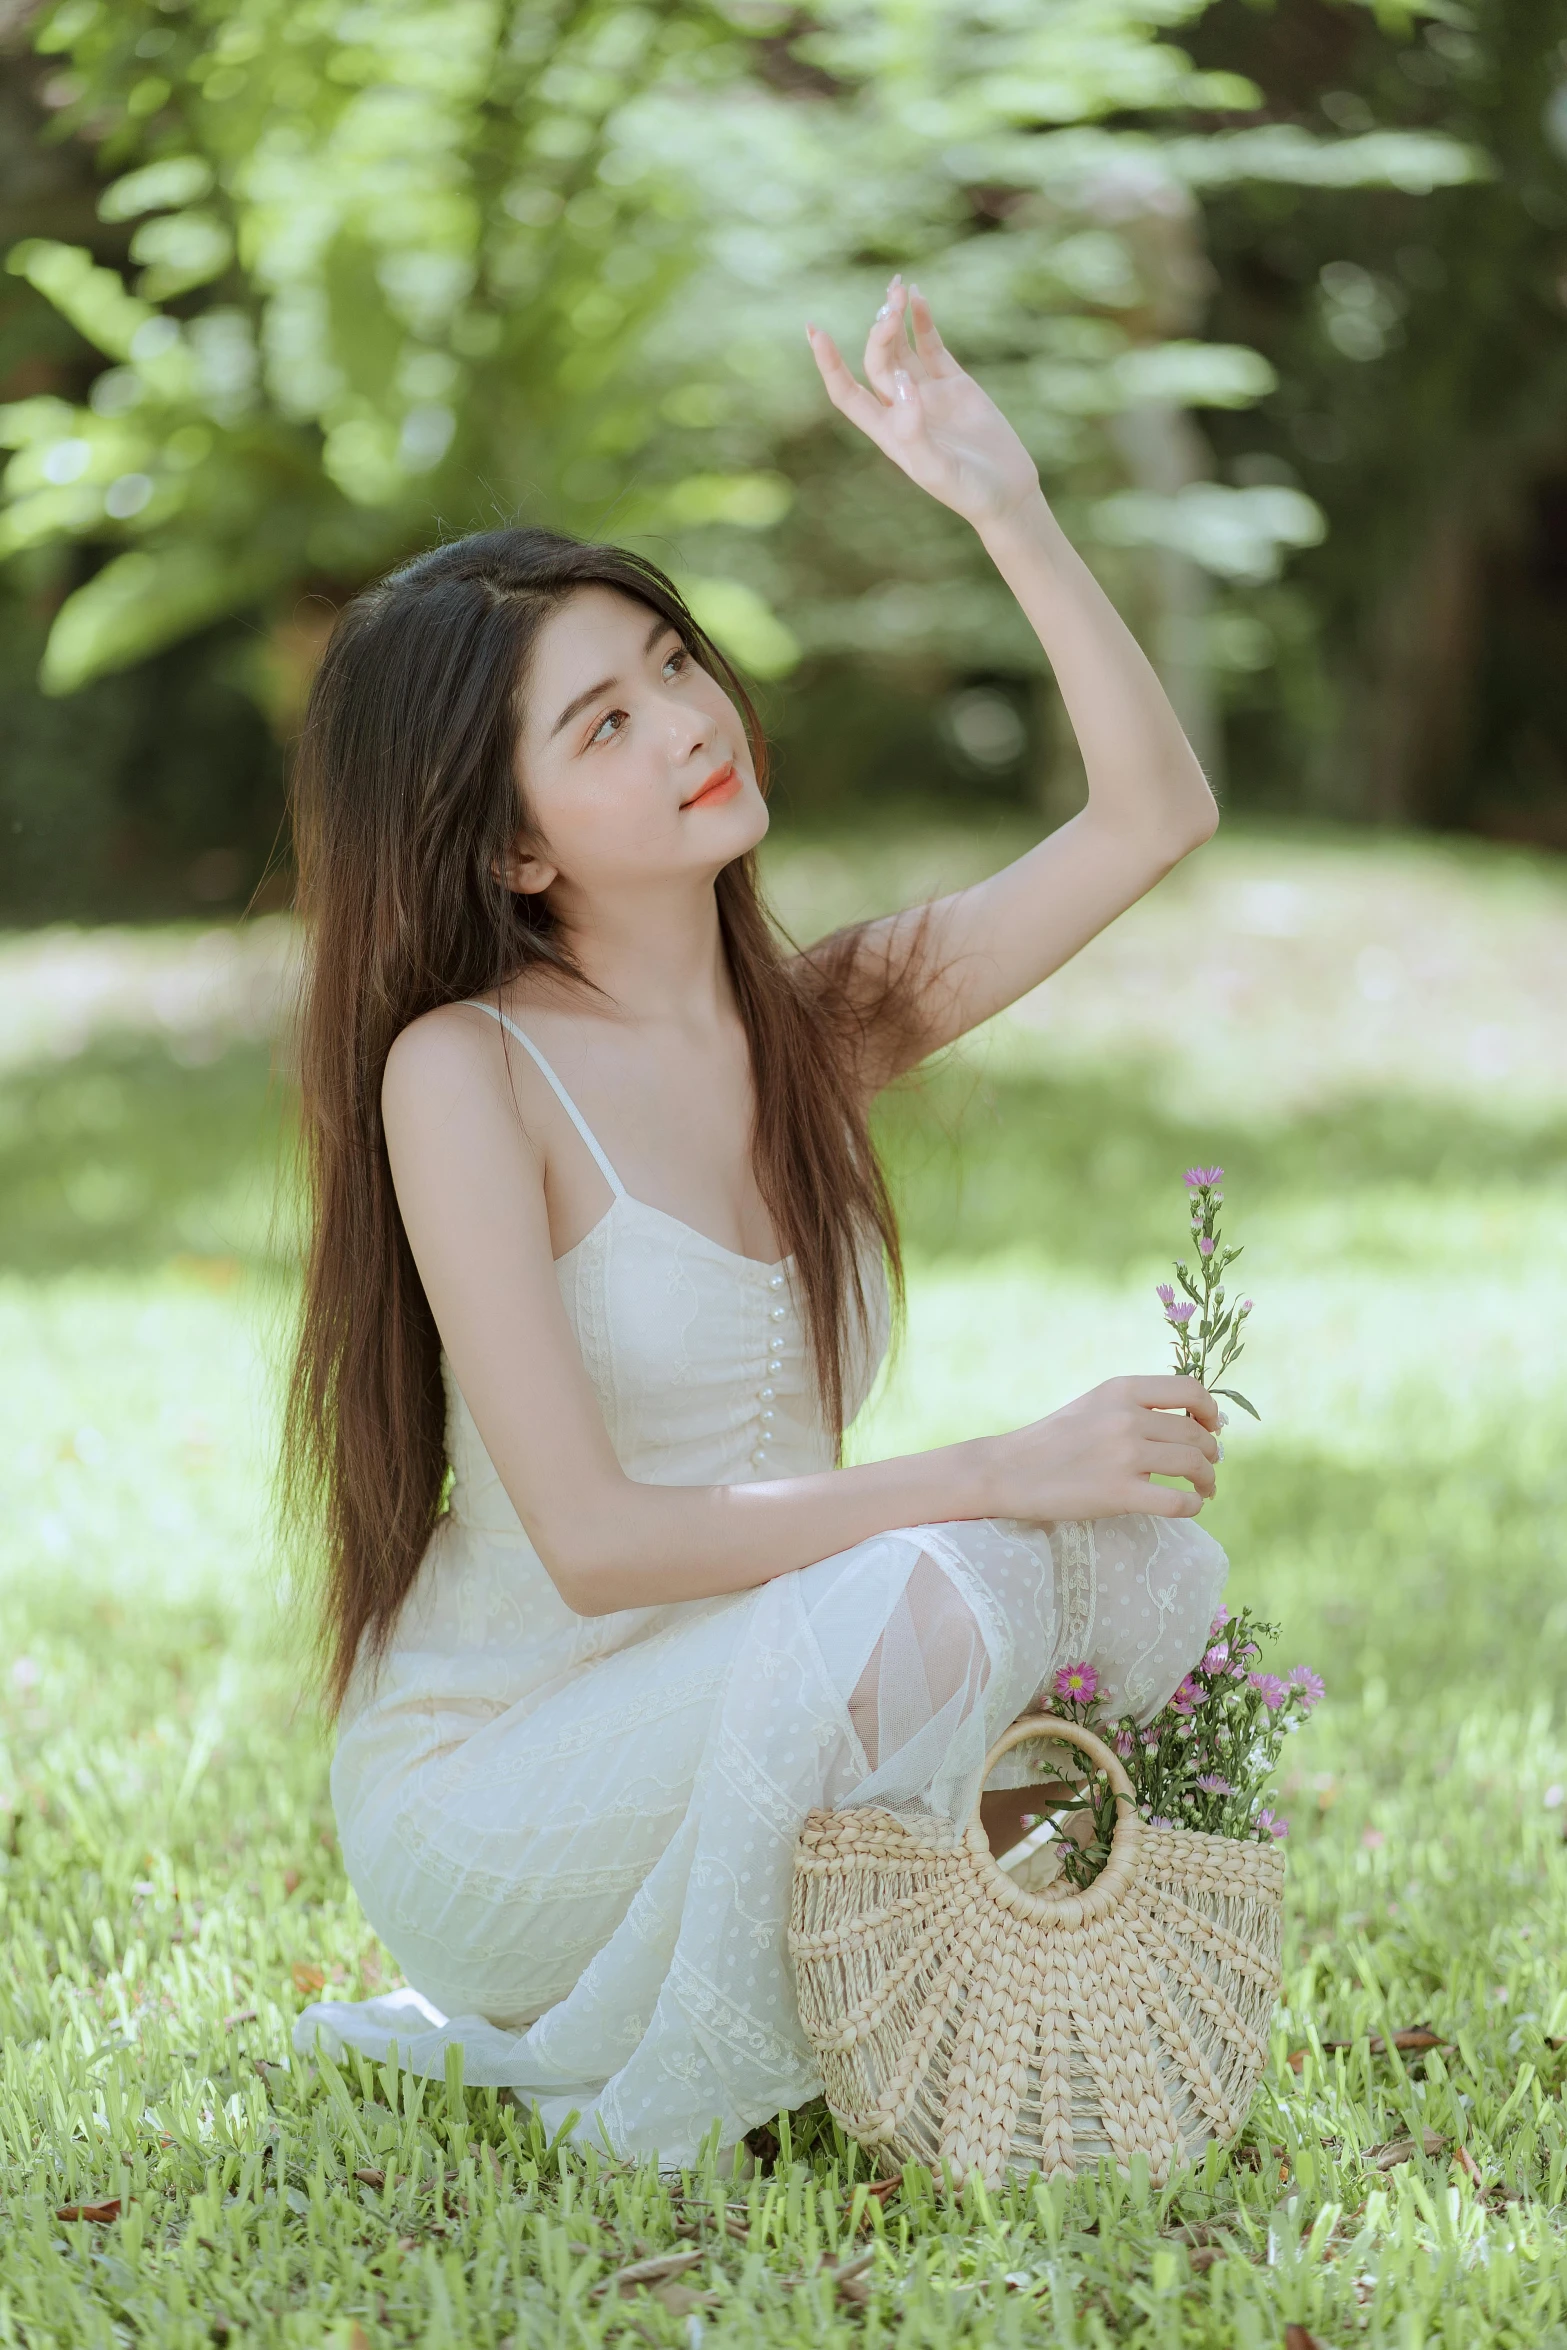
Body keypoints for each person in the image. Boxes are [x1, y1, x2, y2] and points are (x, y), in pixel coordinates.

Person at [285, 278, 1228, 2166]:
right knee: (946, 1568)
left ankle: (929, 1979)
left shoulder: (821, 1021)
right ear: (516, 844)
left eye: (673, 663)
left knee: (1148, 1577)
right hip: (504, 1787)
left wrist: (1003, 502)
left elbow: (1151, 813)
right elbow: (608, 1540)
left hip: (742, 1696)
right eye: (605, 720)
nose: (685, 722)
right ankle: (729, 2061)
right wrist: (995, 1465)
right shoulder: (462, 1074)